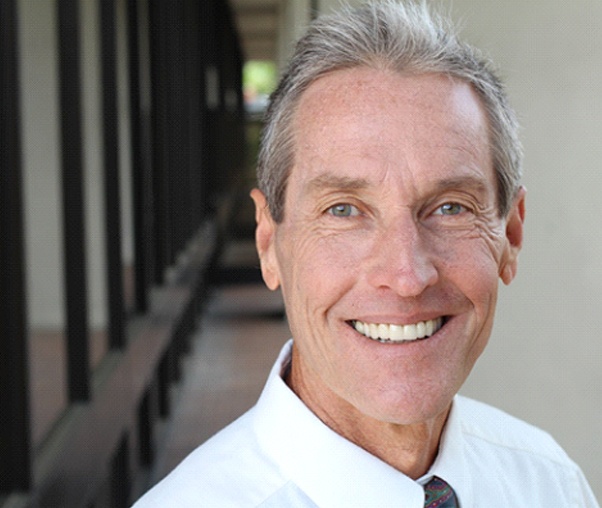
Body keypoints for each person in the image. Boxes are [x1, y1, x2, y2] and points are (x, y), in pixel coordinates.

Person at [134, 1, 598, 506]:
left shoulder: (551, 483)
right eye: (343, 210)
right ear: (270, 243)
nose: (406, 275)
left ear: (509, 234)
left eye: (449, 207)